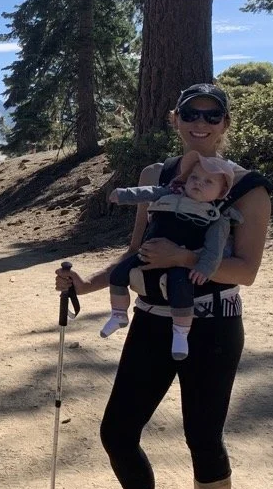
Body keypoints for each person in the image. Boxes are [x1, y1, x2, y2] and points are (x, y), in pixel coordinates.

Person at [55, 83, 271, 489]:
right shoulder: (154, 177)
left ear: (226, 122)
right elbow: (138, 250)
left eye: (212, 115)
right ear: (174, 119)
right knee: (117, 432)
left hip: (213, 324)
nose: (202, 123)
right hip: (152, 318)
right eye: (192, 114)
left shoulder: (246, 187)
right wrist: (85, 283)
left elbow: (245, 271)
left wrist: (183, 260)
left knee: (203, 439)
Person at [102, 151, 243, 361]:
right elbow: (147, 192)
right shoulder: (170, 193)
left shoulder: (217, 217)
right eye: (194, 178)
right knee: (118, 274)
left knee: (180, 288)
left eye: (208, 182)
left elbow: (214, 250)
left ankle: (180, 333)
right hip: (147, 252)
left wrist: (204, 268)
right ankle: (119, 314)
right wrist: (123, 195)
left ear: (222, 191)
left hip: (181, 264)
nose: (198, 183)